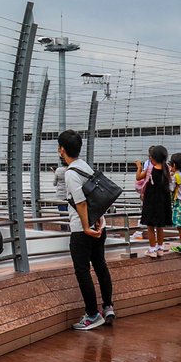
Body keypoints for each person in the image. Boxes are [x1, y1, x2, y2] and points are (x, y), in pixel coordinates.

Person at [58, 130, 114, 329]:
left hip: (83, 230)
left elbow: (81, 203)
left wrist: (85, 227)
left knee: (82, 271)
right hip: (100, 225)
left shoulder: (71, 173)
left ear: (62, 150)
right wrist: (97, 221)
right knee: (100, 265)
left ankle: (92, 314)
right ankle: (108, 306)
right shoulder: (86, 167)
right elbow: (97, 199)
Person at [135, 145, 171, 257]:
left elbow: (138, 177)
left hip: (151, 201)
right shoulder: (167, 169)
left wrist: (139, 167)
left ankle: (152, 249)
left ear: (152, 158)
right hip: (163, 201)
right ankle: (160, 247)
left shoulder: (150, 169)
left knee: (150, 226)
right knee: (160, 226)